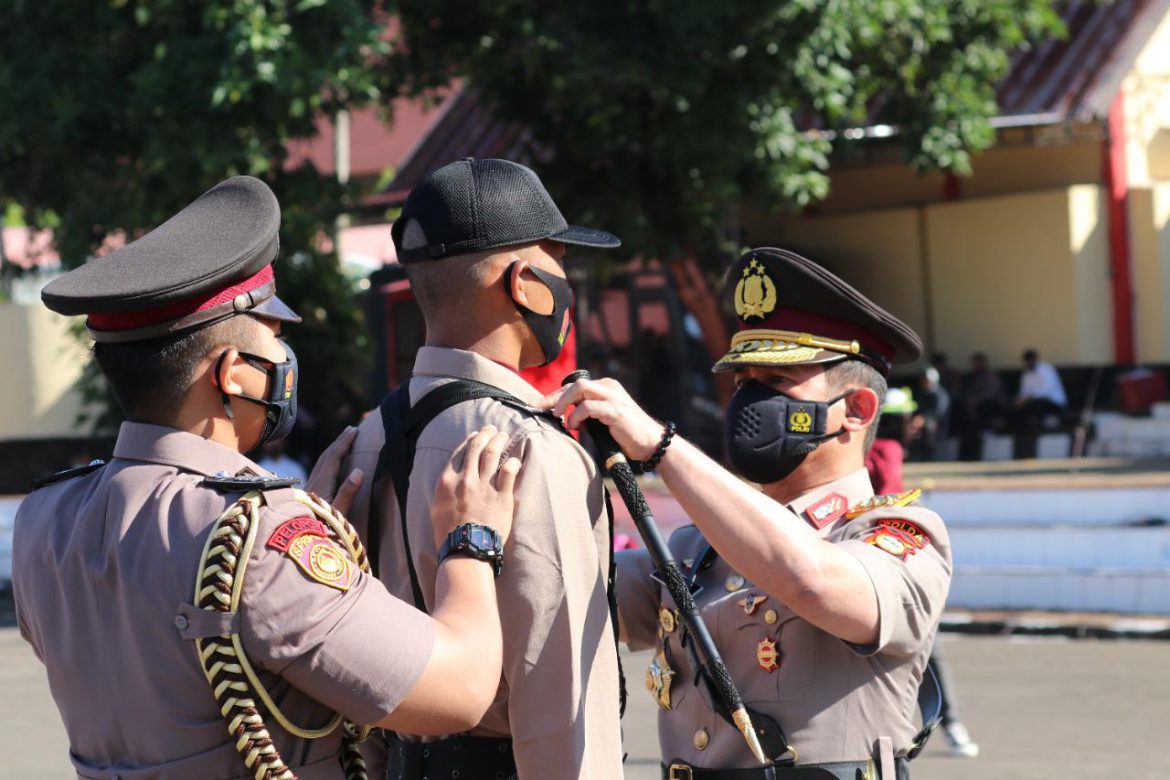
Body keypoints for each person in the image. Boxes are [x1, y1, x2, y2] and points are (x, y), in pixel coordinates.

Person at [13, 176, 521, 780]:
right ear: (232, 373)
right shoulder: (262, 538)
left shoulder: (44, 517)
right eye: (275, 339)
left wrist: (310, 529)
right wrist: (470, 538)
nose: (284, 362)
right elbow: (459, 691)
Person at [547, 247, 952, 778]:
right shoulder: (695, 547)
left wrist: (661, 448)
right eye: (743, 384)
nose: (750, 404)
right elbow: (564, 587)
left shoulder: (901, 535)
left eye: (777, 384)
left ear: (856, 411)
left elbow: (812, 581)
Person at [340, 158, 625, 779]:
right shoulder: (529, 447)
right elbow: (561, 698)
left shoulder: (364, 441)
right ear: (524, 282)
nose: (566, 285)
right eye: (558, 264)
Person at [1014, 348, 1067, 424]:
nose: (1029, 363)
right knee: (1017, 406)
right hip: (1033, 402)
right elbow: (1023, 392)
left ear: (1035, 359)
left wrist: (1028, 398)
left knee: (1038, 403)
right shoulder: (1025, 374)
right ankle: (1022, 433)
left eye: (1031, 360)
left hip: (1054, 402)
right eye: (1027, 361)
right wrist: (1020, 400)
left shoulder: (1047, 369)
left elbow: (1046, 391)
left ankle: (1038, 430)